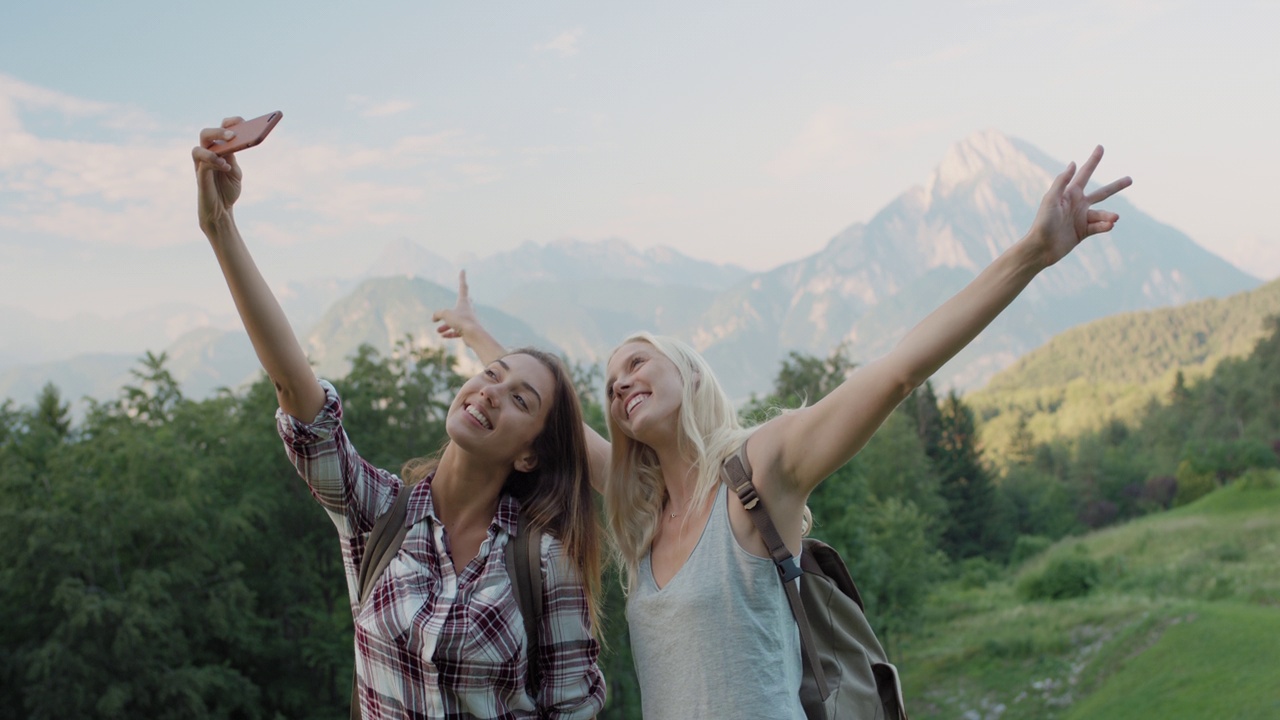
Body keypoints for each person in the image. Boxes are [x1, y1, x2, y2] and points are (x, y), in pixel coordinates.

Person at [436, 147, 1131, 718]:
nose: (619, 381)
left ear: (693, 378)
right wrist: (477, 340)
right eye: (612, 381)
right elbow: (548, 411)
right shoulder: (642, 516)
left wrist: (1032, 254)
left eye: (638, 361)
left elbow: (894, 374)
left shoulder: (757, 474)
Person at [192, 117, 605, 719]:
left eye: (521, 400)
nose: (492, 392)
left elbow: (571, 711)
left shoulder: (545, 560)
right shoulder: (377, 513)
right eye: (491, 375)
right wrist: (220, 227)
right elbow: (296, 388)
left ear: (529, 455)